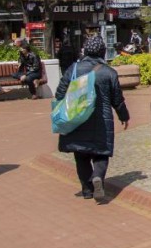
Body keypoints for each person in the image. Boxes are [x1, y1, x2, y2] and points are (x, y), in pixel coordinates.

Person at [55, 34, 129, 203]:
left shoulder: (73, 69)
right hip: (101, 120)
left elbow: (59, 94)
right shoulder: (109, 72)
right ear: (103, 52)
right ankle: (97, 176)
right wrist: (124, 117)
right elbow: (117, 99)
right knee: (101, 153)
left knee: (80, 154)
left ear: (85, 51)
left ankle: (87, 190)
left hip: (77, 118)